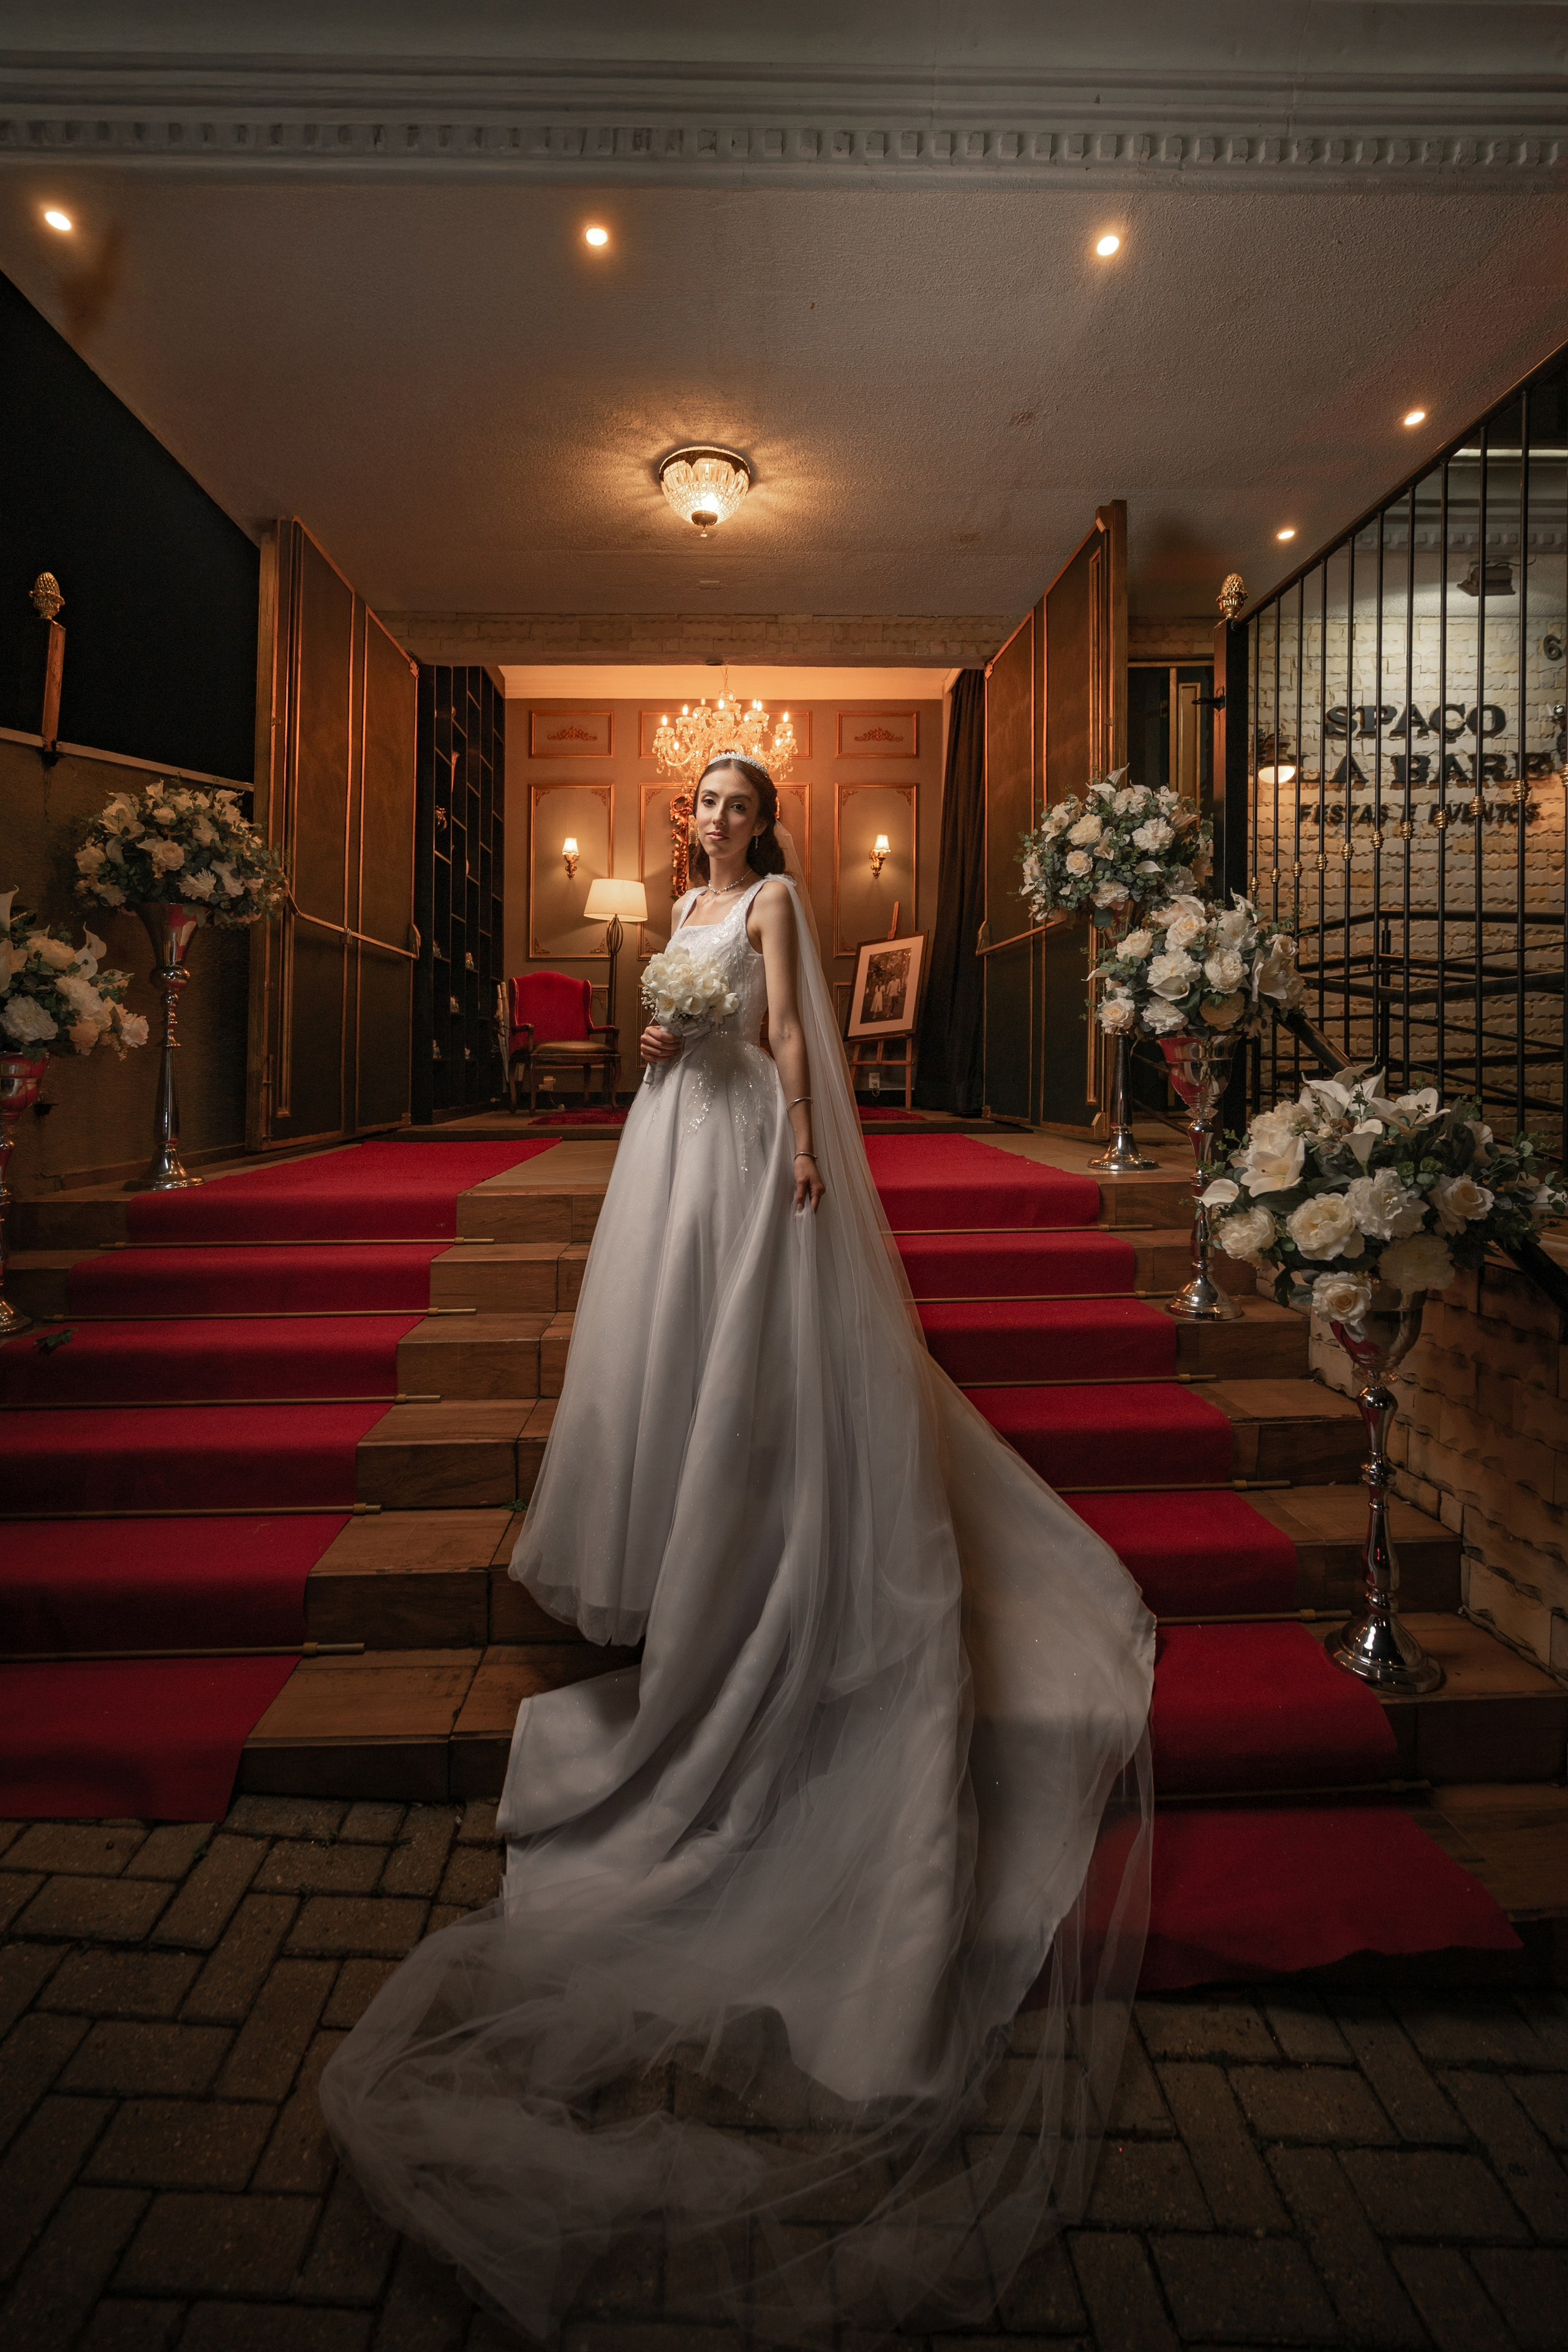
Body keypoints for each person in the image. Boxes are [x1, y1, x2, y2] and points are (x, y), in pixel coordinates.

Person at [322, 753, 1155, 2343]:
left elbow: (786, 1031)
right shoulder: (675, 907)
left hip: (744, 1133)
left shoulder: (769, 903)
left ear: (766, 819)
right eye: (699, 800)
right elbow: (665, 1030)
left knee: (740, 1360)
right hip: (663, 1139)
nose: (713, 818)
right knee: (653, 1354)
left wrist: (800, 1138)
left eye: (733, 799)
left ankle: (750, 1535)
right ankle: (663, 1548)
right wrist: (648, 1040)